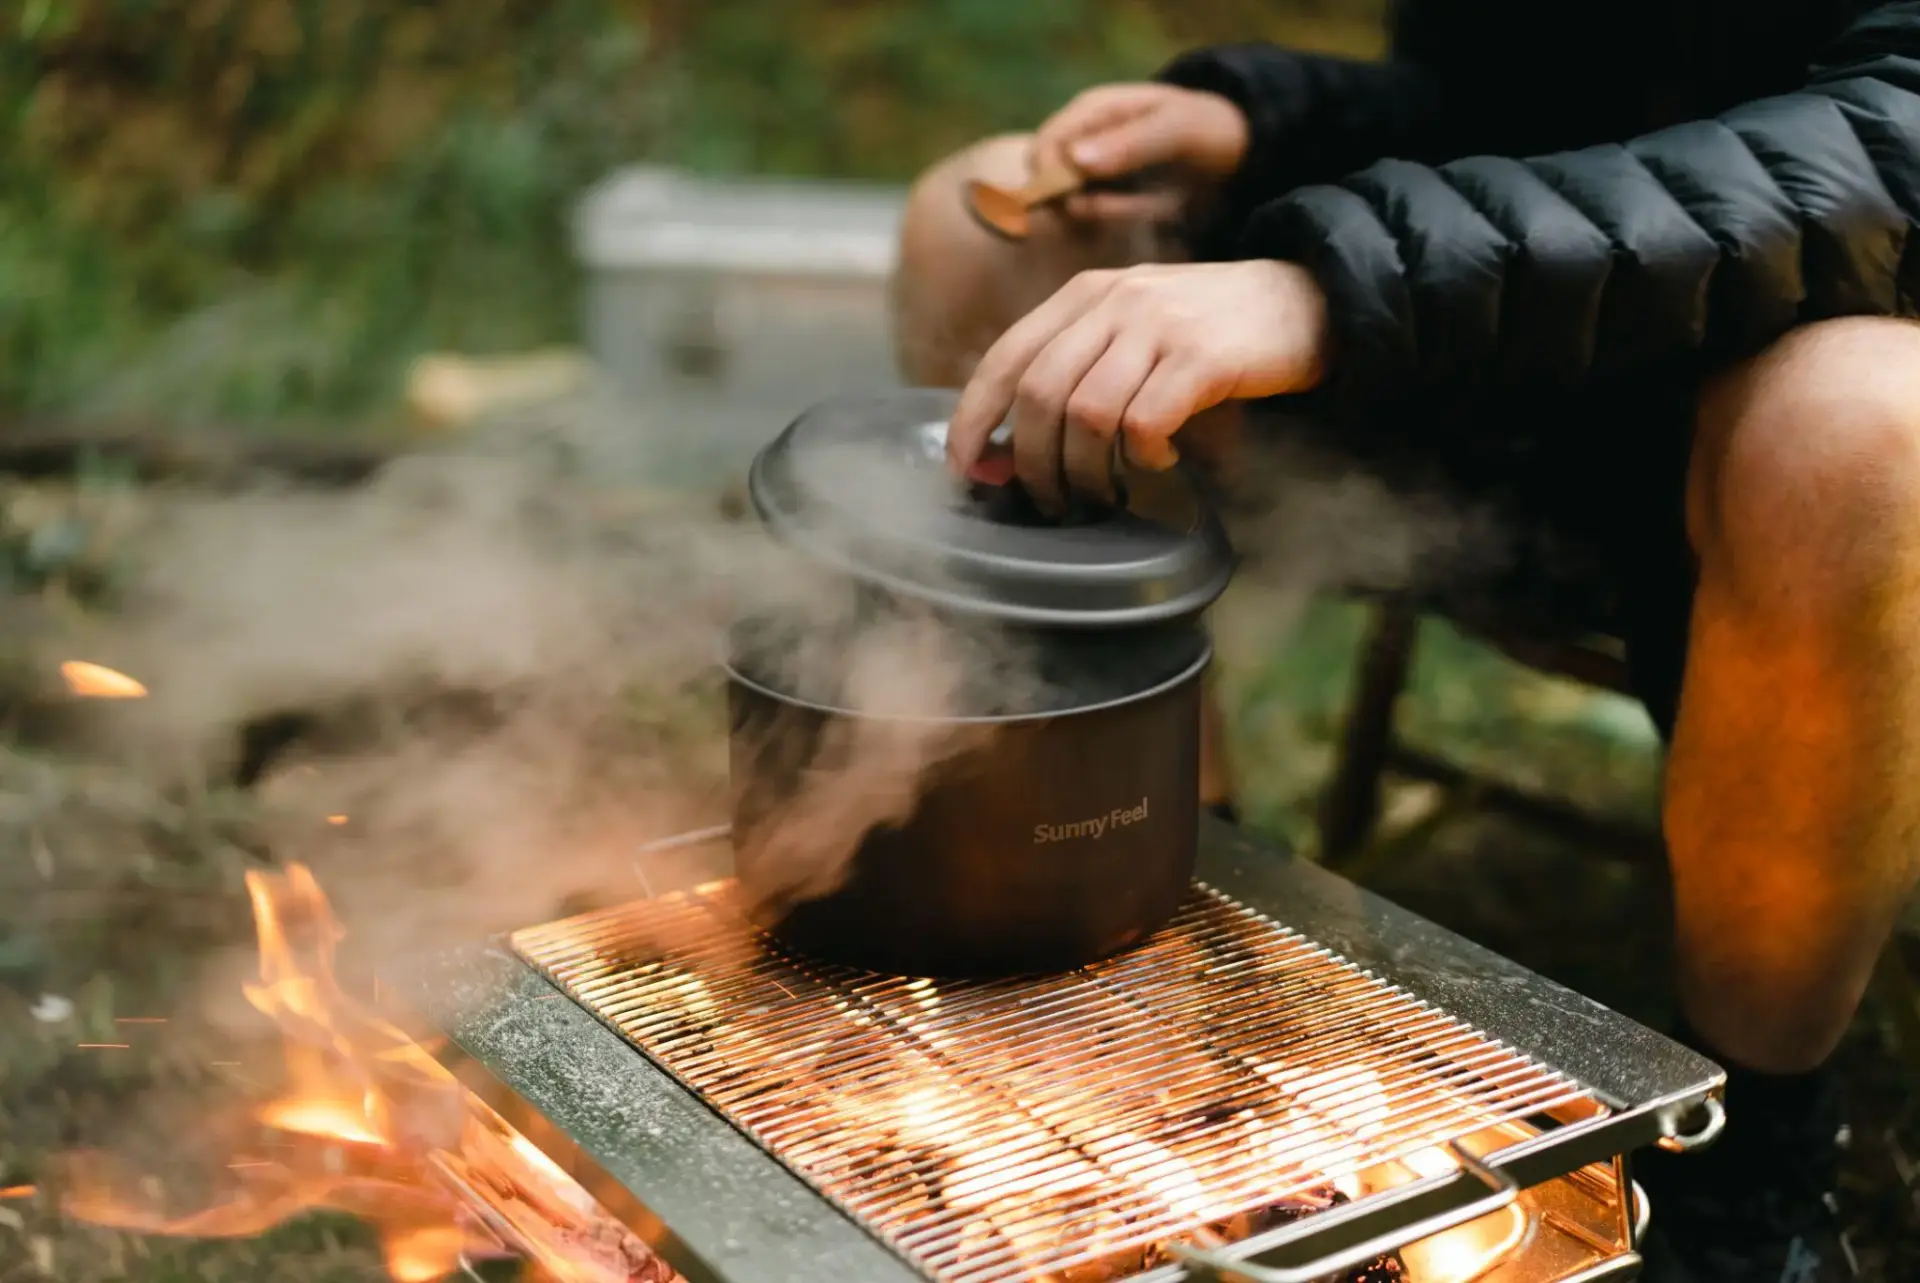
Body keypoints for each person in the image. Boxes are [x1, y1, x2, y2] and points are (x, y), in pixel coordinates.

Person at [888, 3, 1920, 1280]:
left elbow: (1888, 152)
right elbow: (1514, 105)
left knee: (1864, 422)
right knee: (986, 221)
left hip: (1786, 450)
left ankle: (1743, 1170)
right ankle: (1182, 925)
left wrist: (1326, 285)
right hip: (1530, 370)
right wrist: (1263, 119)